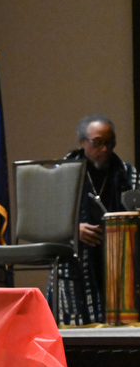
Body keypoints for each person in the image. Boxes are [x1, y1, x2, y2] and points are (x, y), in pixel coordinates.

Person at [50, 113, 139, 325]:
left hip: (118, 259)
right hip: (78, 257)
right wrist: (73, 228)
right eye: (97, 143)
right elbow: (48, 218)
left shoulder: (127, 173)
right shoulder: (63, 172)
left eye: (110, 143)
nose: (105, 150)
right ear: (83, 142)